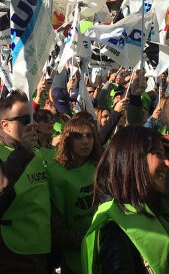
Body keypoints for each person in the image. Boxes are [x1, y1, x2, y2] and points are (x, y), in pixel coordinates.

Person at [82, 127, 169, 274]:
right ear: (133, 158)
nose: (168, 164)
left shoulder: (160, 208)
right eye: (158, 154)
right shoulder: (113, 226)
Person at [0, 90, 50, 273]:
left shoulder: (36, 154)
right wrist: (22, 152)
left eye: (34, 117)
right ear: (4, 124)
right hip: (2, 254)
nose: (33, 124)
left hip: (37, 251)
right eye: (24, 120)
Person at [47, 113, 103, 274]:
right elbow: (56, 230)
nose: (85, 141)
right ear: (67, 140)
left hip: (104, 253)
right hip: (73, 258)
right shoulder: (54, 172)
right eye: (78, 136)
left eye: (89, 136)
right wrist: (92, 237)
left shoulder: (100, 166)